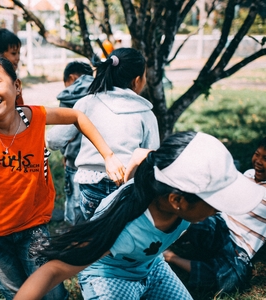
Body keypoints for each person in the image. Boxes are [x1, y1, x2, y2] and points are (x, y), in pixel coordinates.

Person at [0, 56, 125, 299]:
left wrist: (109, 155)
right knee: (18, 294)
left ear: (16, 86)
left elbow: (78, 117)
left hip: (32, 228)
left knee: (53, 293)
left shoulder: (35, 117)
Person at [13, 131, 266, 300]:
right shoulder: (124, 228)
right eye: (214, 202)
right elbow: (54, 270)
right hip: (110, 277)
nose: (219, 209)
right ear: (177, 201)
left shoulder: (163, 176)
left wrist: (131, 173)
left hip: (151, 266)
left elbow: (143, 155)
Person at [49, 48, 160, 222]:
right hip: (126, 188)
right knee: (118, 237)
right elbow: (152, 155)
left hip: (90, 187)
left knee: (93, 237)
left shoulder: (87, 103)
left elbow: (54, 139)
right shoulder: (146, 113)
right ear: (137, 80)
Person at [163, 137, 266, 294]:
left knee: (231, 279)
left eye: (265, 158)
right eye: (257, 154)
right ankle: (161, 237)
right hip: (219, 224)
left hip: (239, 246)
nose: (258, 161)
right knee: (192, 218)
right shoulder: (248, 174)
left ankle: (171, 257)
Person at [47, 61, 94, 225]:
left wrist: (64, 153)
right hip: (98, 163)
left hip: (74, 160)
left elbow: (59, 137)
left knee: (74, 205)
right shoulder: (101, 92)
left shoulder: (70, 96)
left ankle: (72, 235)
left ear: (72, 78)